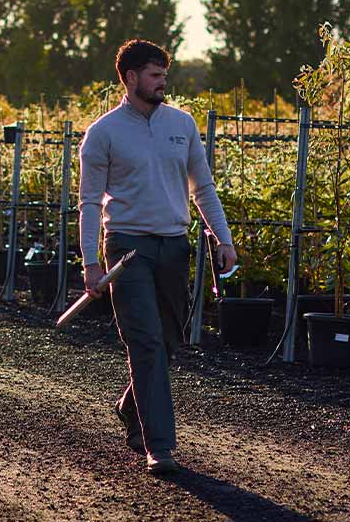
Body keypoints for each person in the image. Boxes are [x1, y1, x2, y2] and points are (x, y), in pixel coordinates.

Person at [78, 38, 237, 475]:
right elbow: (89, 202)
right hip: (127, 250)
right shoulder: (103, 133)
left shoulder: (182, 124)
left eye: (164, 75)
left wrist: (223, 239)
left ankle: (131, 406)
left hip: (174, 246)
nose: (162, 82)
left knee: (168, 341)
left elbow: (203, 188)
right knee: (145, 342)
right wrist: (90, 262)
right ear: (130, 78)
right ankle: (160, 447)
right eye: (154, 75)